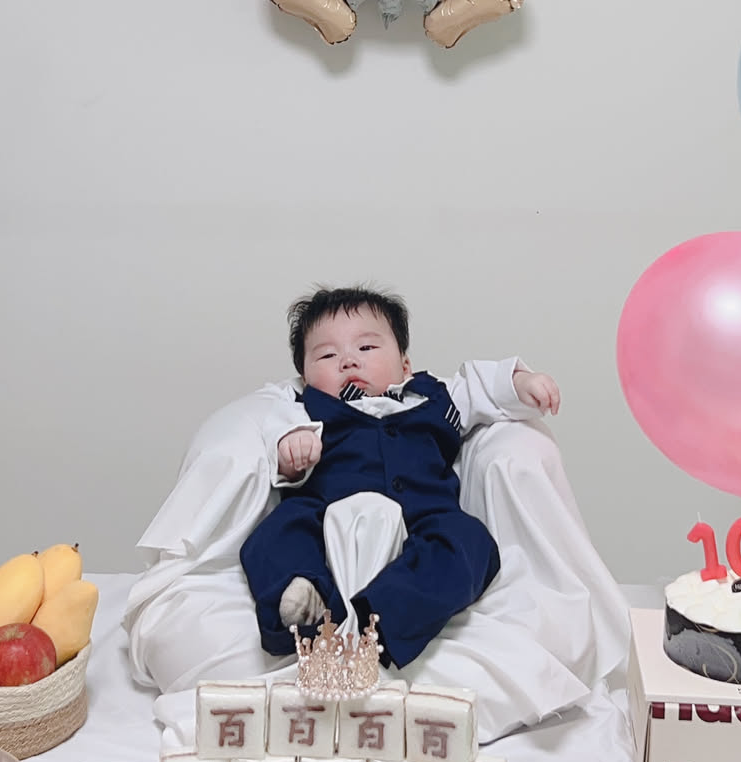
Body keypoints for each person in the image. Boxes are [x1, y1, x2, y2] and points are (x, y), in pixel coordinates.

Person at [239, 286, 560, 667]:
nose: (348, 361)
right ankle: (306, 600)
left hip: (426, 513)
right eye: (327, 355)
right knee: (277, 532)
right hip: (326, 512)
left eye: (366, 348)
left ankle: (381, 618)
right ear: (305, 378)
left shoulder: (432, 397)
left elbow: (482, 387)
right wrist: (292, 449)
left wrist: (521, 384)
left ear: (405, 365)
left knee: (469, 543)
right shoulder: (304, 408)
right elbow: (277, 432)